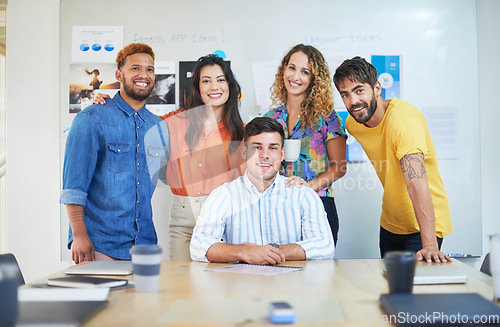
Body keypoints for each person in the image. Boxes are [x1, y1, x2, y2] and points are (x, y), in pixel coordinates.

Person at [92, 54, 246, 261]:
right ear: (198, 88)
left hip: (223, 217)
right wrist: (110, 105)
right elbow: (136, 122)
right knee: (181, 283)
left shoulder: (242, 131)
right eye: (206, 81)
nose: (214, 87)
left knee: (218, 285)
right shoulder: (175, 121)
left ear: (230, 85)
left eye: (220, 80)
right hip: (183, 219)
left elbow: (249, 183)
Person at [333, 56, 453, 263]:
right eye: (345, 94)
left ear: (377, 88)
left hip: (423, 227)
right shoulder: (354, 123)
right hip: (391, 223)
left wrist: (430, 244)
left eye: (359, 90)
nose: (353, 101)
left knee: (412, 291)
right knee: (390, 287)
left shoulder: (403, 121)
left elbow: (416, 183)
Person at [60, 43, 170, 263]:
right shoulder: (92, 118)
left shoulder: (159, 127)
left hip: (145, 246)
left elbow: (166, 177)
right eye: (135, 68)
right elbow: (73, 186)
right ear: (119, 74)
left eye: (149, 69)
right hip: (100, 245)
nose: (143, 75)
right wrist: (79, 236)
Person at [190, 117, 334, 264]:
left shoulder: (302, 194)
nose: (264, 155)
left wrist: (269, 252)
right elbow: (198, 246)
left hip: (290, 284)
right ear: (244, 152)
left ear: (282, 154)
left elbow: (325, 245)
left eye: (273, 148)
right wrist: (245, 252)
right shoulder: (224, 195)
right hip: (239, 284)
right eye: (257, 147)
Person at [264, 44, 347, 244]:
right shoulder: (270, 118)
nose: (296, 77)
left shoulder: (328, 118)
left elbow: (340, 167)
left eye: (305, 72)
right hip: (277, 207)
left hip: (318, 204)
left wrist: (308, 187)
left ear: (313, 79)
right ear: (284, 69)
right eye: (292, 68)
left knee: (318, 273)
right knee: (278, 269)